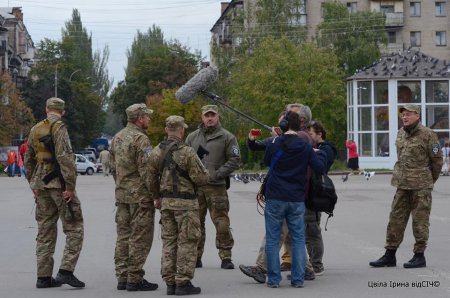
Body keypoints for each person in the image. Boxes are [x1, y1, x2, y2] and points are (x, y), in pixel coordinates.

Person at [240, 104, 316, 283]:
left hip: (289, 193)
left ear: (300, 120)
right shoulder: (286, 138)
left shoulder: (302, 136)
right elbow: (259, 147)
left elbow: (280, 153)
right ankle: (305, 269)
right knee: (291, 235)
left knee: (275, 234)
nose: (283, 122)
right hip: (294, 194)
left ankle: (262, 268)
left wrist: (280, 139)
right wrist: (252, 140)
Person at [369, 103, 442, 269]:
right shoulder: (401, 133)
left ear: (417, 115)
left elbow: (437, 161)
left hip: (421, 187)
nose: (405, 117)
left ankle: (419, 255)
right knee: (395, 219)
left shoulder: (428, 135)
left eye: (409, 114)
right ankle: (390, 254)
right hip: (402, 185)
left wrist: (429, 180)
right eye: (403, 114)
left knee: (420, 222)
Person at [24, 97, 85, 289]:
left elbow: (28, 159)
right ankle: (66, 271)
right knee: (74, 227)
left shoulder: (35, 129)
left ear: (46, 109)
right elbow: (65, 158)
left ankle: (43, 277)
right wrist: (70, 187)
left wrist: (32, 183)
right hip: (58, 183)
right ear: (62, 111)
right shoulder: (59, 128)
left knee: (45, 231)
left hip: (41, 184)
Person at [264, 111, 327, 288]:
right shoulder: (305, 146)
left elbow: (267, 161)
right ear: (299, 125)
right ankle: (298, 279)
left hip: (275, 196)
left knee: (272, 238)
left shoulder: (275, 142)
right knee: (299, 238)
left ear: (284, 125)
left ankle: (274, 280)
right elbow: (319, 168)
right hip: (296, 198)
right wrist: (319, 153)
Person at [149, 116, 209, 295]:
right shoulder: (187, 152)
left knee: (169, 242)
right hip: (186, 204)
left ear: (167, 130)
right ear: (182, 130)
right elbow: (202, 178)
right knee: (188, 242)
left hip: (166, 204)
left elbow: (150, 177)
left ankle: (170, 282)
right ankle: (182, 282)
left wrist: (156, 197)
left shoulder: (156, 151)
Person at [185, 104, 241, 269]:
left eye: (213, 115)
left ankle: (226, 256)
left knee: (221, 223)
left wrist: (217, 174)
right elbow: (185, 159)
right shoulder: (192, 137)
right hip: (196, 187)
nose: (210, 118)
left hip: (217, 187)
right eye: (206, 115)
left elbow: (234, 159)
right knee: (196, 223)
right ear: (202, 117)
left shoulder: (227, 137)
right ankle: (196, 256)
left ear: (218, 117)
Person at [110, 103, 158, 291]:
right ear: (140, 118)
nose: (149, 119)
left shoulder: (117, 137)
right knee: (140, 237)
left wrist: (121, 184)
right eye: (147, 116)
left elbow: (113, 168)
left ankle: (122, 277)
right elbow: (147, 171)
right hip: (140, 197)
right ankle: (135, 278)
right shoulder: (141, 139)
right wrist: (156, 194)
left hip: (122, 194)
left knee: (123, 236)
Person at [306, 121, 337, 275]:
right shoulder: (317, 148)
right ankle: (311, 263)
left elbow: (321, 167)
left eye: (311, 133)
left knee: (312, 230)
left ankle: (316, 264)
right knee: (309, 229)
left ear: (319, 134)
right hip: (310, 193)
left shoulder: (326, 149)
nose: (308, 136)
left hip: (316, 193)